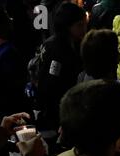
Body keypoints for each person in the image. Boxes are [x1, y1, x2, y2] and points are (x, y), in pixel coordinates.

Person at [37, 2, 87, 130]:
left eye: (84, 24)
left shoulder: (71, 43)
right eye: (79, 25)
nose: (84, 29)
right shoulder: (58, 50)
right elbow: (52, 84)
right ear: (67, 27)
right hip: (59, 110)